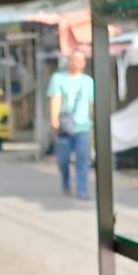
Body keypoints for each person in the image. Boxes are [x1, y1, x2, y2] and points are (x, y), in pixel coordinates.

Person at [47, 50, 95, 199]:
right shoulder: (58, 78)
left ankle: (82, 189)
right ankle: (66, 182)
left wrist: (95, 121)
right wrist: (54, 119)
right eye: (72, 59)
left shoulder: (88, 81)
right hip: (65, 125)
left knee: (82, 159)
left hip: (83, 126)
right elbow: (55, 99)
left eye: (78, 60)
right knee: (63, 159)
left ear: (83, 63)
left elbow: (91, 103)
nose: (75, 62)